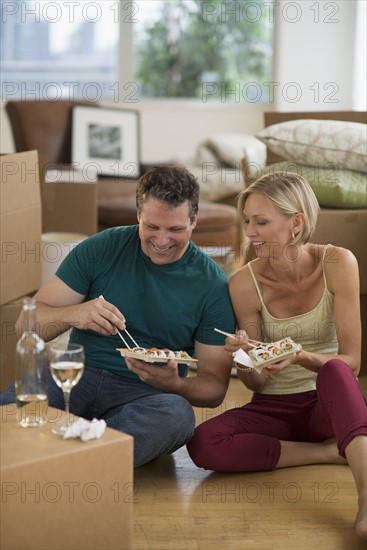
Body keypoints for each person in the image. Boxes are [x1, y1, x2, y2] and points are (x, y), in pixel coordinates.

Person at [1, 165, 235, 467]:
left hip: (146, 395)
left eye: (175, 229)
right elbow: (25, 327)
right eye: (152, 227)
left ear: (194, 221)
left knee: (177, 415)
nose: (162, 241)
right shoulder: (101, 248)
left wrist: (175, 385)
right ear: (138, 214)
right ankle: (96, 456)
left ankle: (55, 458)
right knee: (11, 410)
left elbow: (215, 387)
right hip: (76, 375)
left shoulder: (213, 285)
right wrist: (76, 314)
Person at [187, 171, 367, 540]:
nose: (250, 232)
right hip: (274, 408)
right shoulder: (243, 283)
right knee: (204, 443)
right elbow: (253, 381)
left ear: (296, 222)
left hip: (328, 403)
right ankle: (330, 452)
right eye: (247, 221)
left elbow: (352, 363)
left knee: (333, 368)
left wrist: (301, 357)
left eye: (262, 221)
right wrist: (247, 361)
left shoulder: (338, 262)